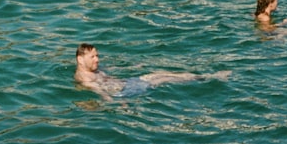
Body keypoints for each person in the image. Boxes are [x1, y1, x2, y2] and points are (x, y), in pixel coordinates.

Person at [74, 43, 229, 101]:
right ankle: (211, 78)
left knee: (158, 73)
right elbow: (100, 91)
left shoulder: (94, 70)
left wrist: (133, 67)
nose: (97, 59)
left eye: (97, 55)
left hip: (127, 83)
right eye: (92, 57)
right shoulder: (84, 78)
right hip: (125, 91)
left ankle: (205, 76)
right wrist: (120, 103)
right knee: (162, 79)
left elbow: (109, 73)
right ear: (81, 60)